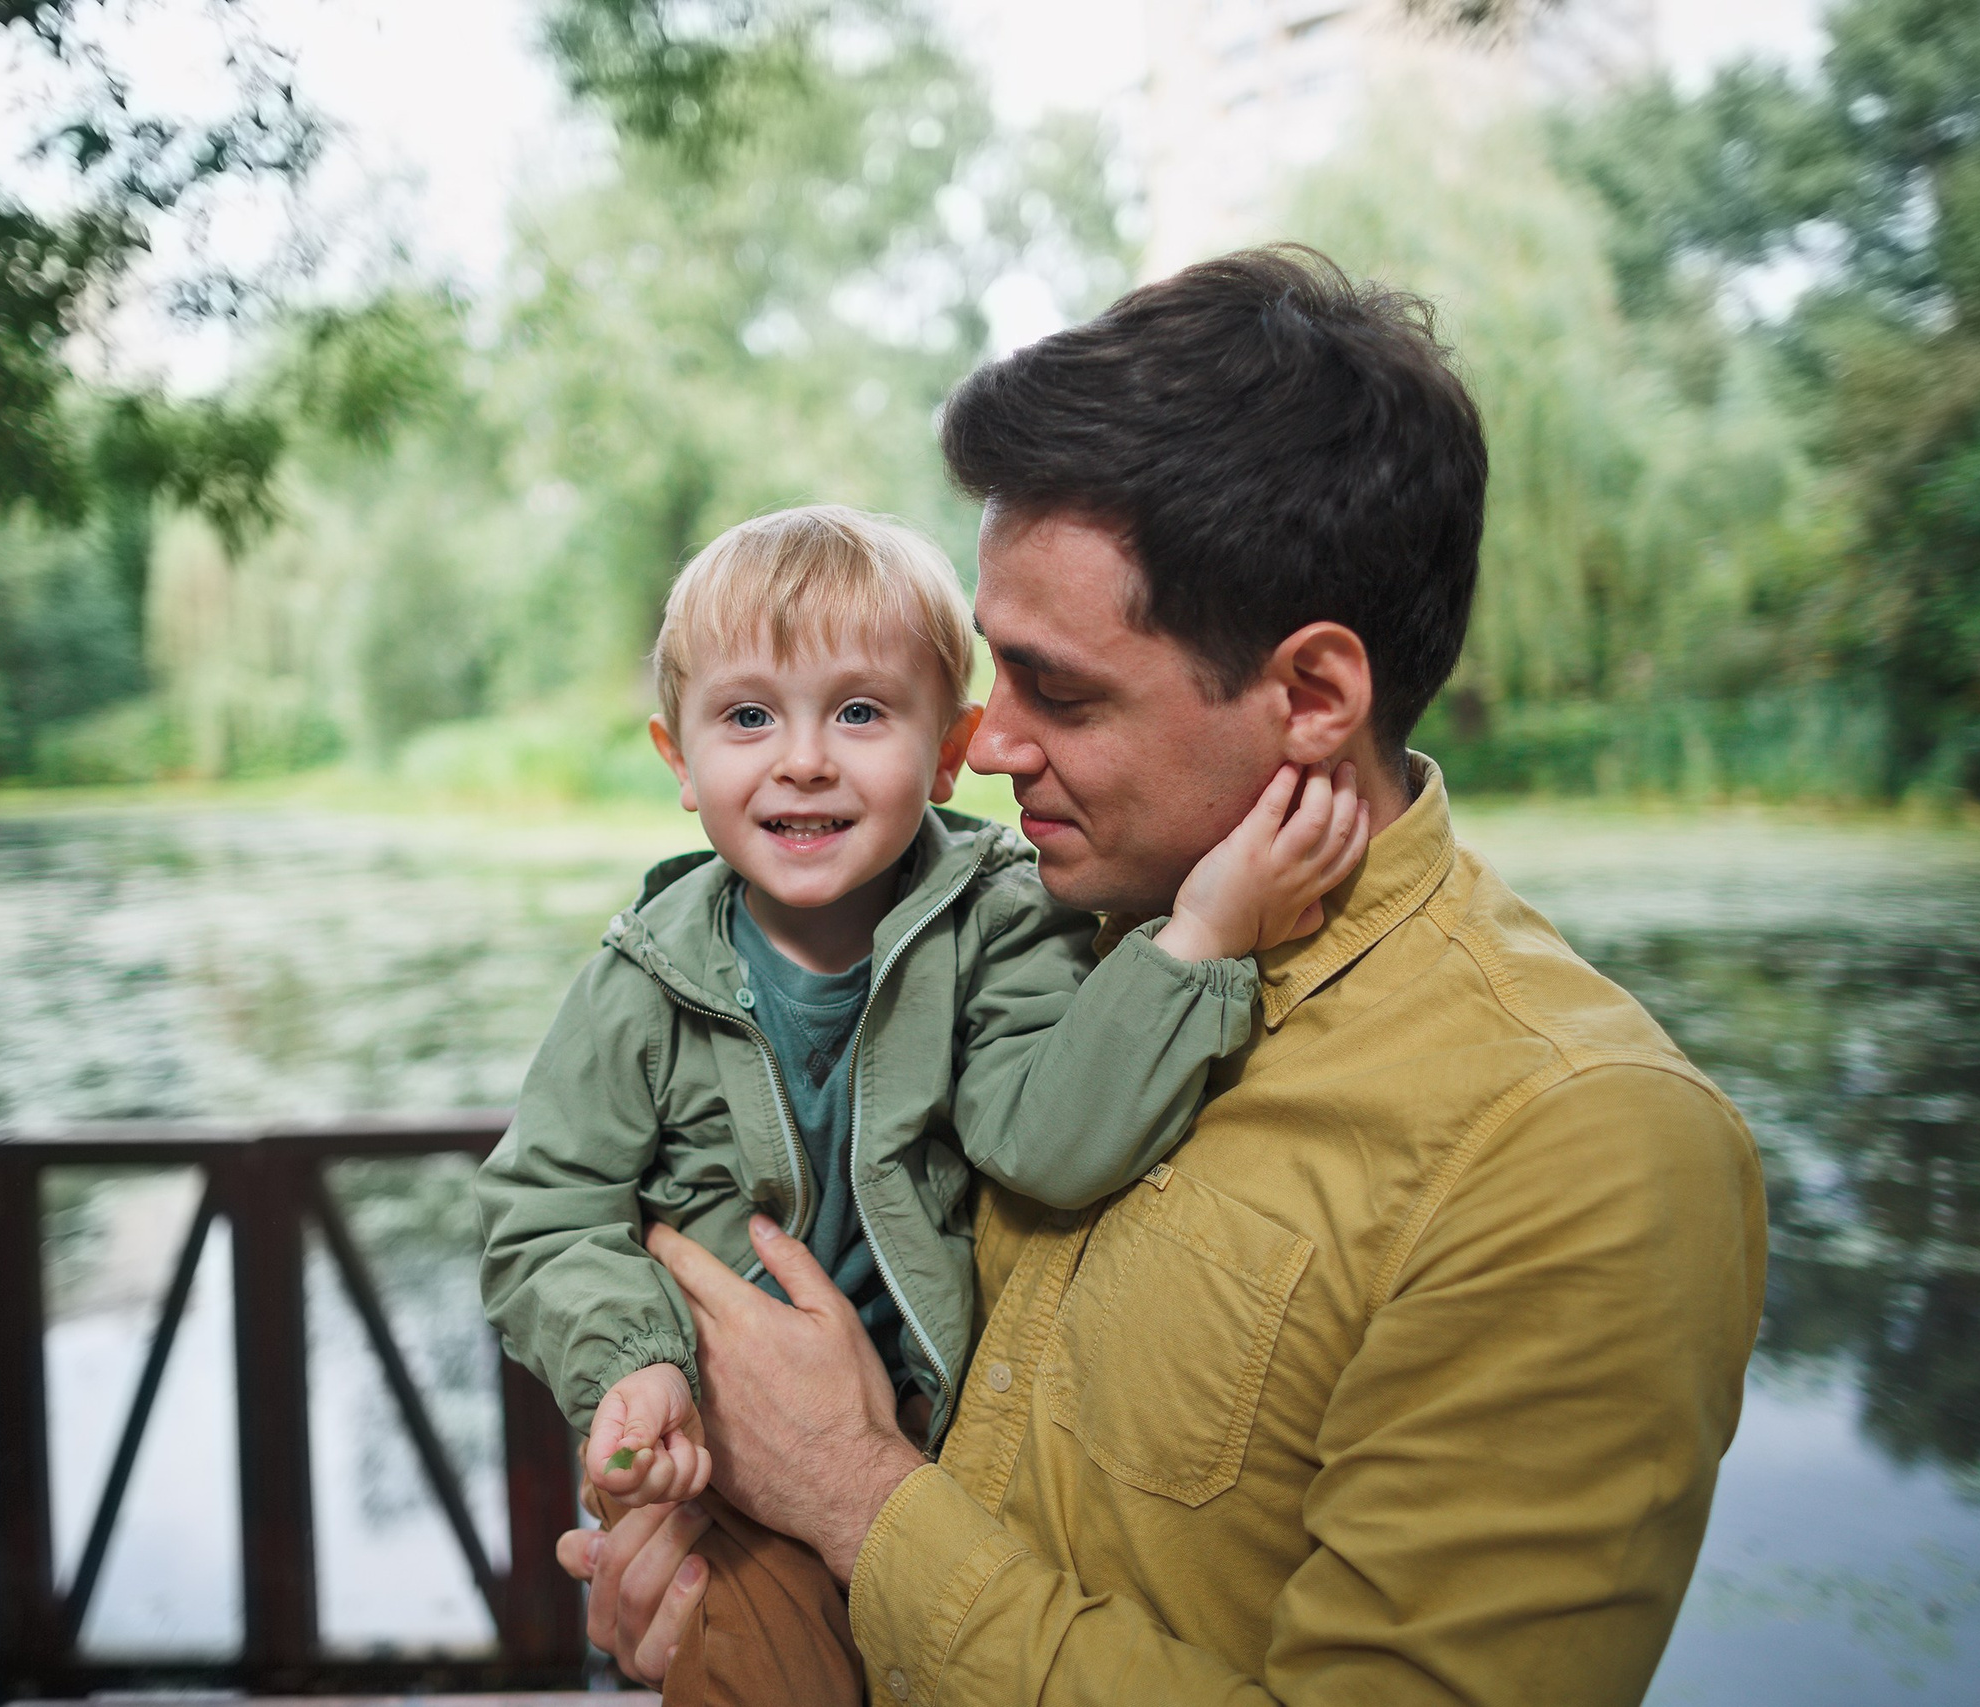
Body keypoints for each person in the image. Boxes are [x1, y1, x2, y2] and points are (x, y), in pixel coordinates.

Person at [563, 248, 1771, 1707]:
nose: (991, 748)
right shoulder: (1007, 936)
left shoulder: (1576, 1144)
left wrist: (854, 1497)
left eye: (1060, 690)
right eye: (992, 675)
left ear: (1314, 696)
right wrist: (715, 1591)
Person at [476, 502, 1366, 1706]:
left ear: (949, 752)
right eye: (747, 717)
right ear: (677, 761)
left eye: (859, 712)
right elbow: (545, 1217)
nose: (802, 759)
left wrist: (1198, 939)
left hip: (940, 1465)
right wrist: (635, 1364)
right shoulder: (638, 982)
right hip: (717, 1460)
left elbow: (1045, 1142)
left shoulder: (1003, 924)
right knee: (754, 1664)